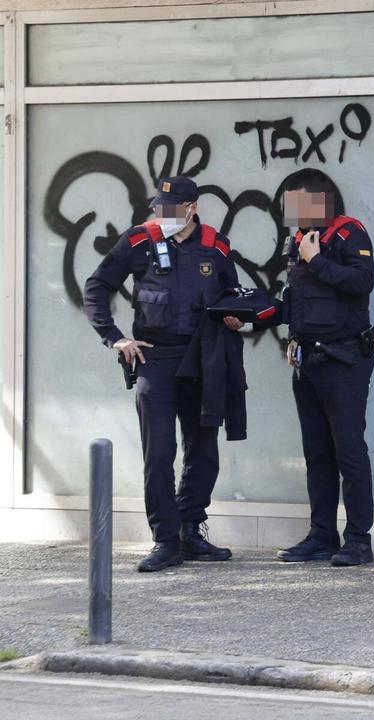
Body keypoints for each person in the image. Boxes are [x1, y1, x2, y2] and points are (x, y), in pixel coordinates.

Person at [83, 176, 243, 573]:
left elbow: (232, 295)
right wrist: (116, 338)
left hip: (202, 360)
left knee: (202, 449)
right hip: (156, 358)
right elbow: (96, 287)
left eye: (171, 208)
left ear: (192, 208)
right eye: (159, 207)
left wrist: (236, 317)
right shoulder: (139, 240)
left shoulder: (216, 245)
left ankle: (190, 530)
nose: (162, 214)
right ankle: (165, 541)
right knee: (159, 454)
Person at [273, 169, 374, 568]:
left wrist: (316, 260)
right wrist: (252, 315)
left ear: (322, 200)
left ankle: (358, 539)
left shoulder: (350, 233)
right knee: (317, 453)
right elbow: (297, 300)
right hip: (307, 361)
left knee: (349, 450)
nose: (292, 211)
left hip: (344, 360)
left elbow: (363, 282)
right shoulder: (299, 240)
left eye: (298, 202)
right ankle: (321, 535)